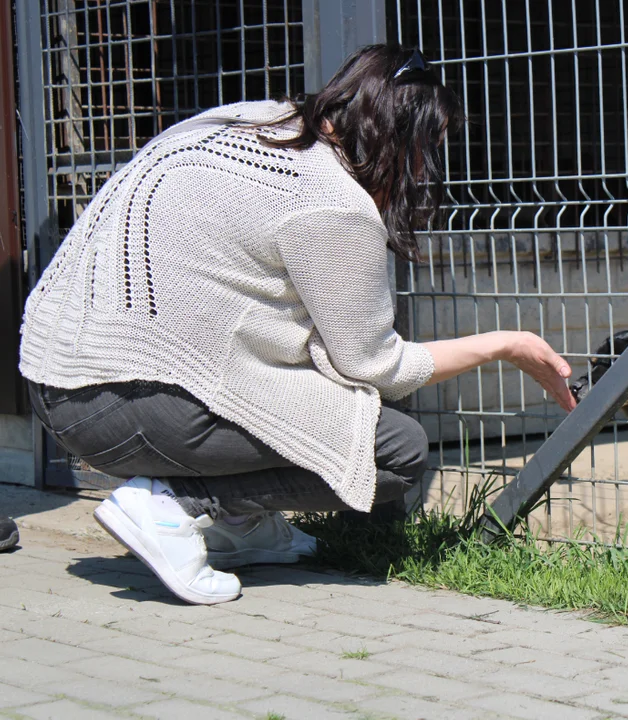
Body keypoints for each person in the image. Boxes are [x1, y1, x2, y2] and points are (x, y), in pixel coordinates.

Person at [18, 44, 576, 605]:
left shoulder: (247, 118)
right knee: (394, 448)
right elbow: (374, 365)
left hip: (50, 384)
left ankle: (241, 526)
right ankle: (177, 506)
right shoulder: (333, 201)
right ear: (403, 141)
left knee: (312, 392)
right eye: (428, 147)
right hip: (131, 402)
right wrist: (511, 344)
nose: (425, 165)